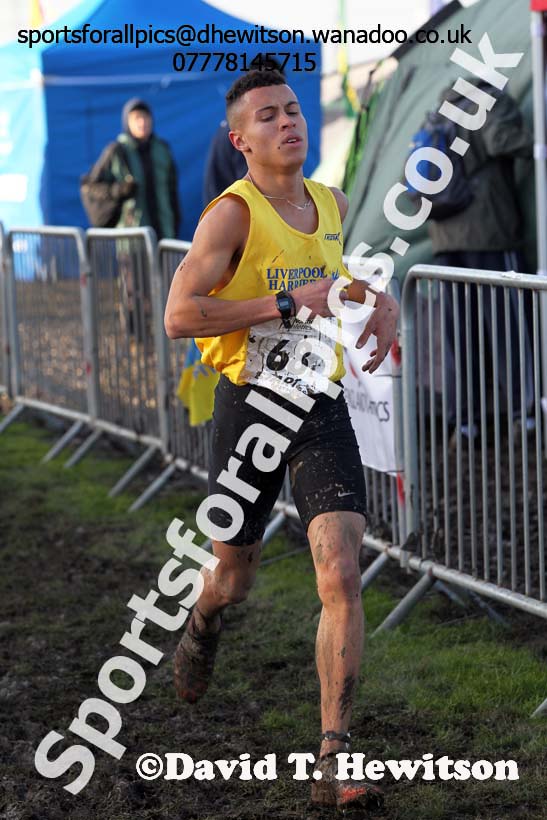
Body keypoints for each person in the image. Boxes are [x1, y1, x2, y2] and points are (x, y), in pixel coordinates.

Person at [164, 70, 399, 811]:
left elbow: (331, 280)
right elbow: (180, 314)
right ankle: (202, 617)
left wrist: (377, 298)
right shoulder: (229, 217)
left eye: (293, 110)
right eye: (268, 116)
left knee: (338, 572)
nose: (288, 123)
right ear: (241, 139)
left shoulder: (327, 201)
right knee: (234, 579)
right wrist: (286, 302)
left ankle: (334, 753)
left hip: (317, 404)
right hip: (250, 411)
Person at [429, 80, 534, 438]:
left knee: (462, 334)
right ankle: (525, 414)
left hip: (444, 239)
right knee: (508, 329)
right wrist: (536, 143)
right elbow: (500, 141)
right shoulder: (488, 101)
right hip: (489, 231)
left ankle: (466, 423)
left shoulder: (440, 110)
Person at [202, 56, 285, 205]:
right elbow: (256, 189)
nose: (287, 122)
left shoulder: (240, 123)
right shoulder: (247, 130)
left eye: (293, 111)